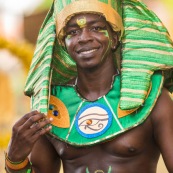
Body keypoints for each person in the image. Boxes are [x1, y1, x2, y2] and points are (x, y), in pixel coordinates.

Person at [5, 0, 173, 173]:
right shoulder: (52, 109)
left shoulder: (151, 98)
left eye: (96, 28)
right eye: (72, 32)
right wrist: (15, 159)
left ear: (115, 38)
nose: (84, 38)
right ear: (63, 44)